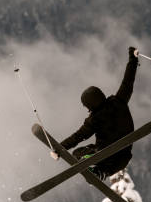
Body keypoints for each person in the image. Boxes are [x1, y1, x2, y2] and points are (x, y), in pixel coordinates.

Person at [51, 46, 139, 180]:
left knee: (77, 152)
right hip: (123, 155)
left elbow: (78, 136)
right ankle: (100, 173)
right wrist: (133, 59)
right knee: (121, 160)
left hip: (103, 153)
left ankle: (91, 161)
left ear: (89, 105)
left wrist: (60, 149)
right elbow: (128, 81)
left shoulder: (94, 119)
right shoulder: (119, 100)